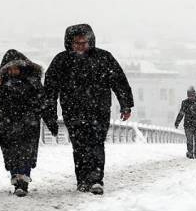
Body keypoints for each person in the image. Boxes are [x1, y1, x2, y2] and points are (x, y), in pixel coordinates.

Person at [42, 24, 134, 195]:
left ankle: (96, 179)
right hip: (73, 111)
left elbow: (119, 82)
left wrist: (125, 104)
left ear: (90, 41)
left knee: (96, 143)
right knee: (80, 146)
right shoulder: (61, 61)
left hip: (99, 110)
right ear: (70, 43)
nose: (80, 46)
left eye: (84, 43)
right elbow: (50, 90)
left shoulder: (104, 58)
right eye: (77, 43)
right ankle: (83, 180)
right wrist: (50, 114)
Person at [0, 49, 51, 197]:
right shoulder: (1, 82)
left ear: (23, 67)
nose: (13, 71)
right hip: (7, 125)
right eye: (10, 68)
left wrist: (44, 117)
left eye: (16, 67)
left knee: (26, 153)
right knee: (11, 154)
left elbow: (43, 102)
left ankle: (23, 183)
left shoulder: (33, 81)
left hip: (28, 124)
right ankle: (17, 181)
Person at [174, 86, 196, 159]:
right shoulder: (185, 103)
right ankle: (190, 152)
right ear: (187, 96)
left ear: (195, 95)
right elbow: (181, 113)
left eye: (192, 96)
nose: (191, 98)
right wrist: (177, 122)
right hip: (188, 125)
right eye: (189, 96)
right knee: (189, 140)